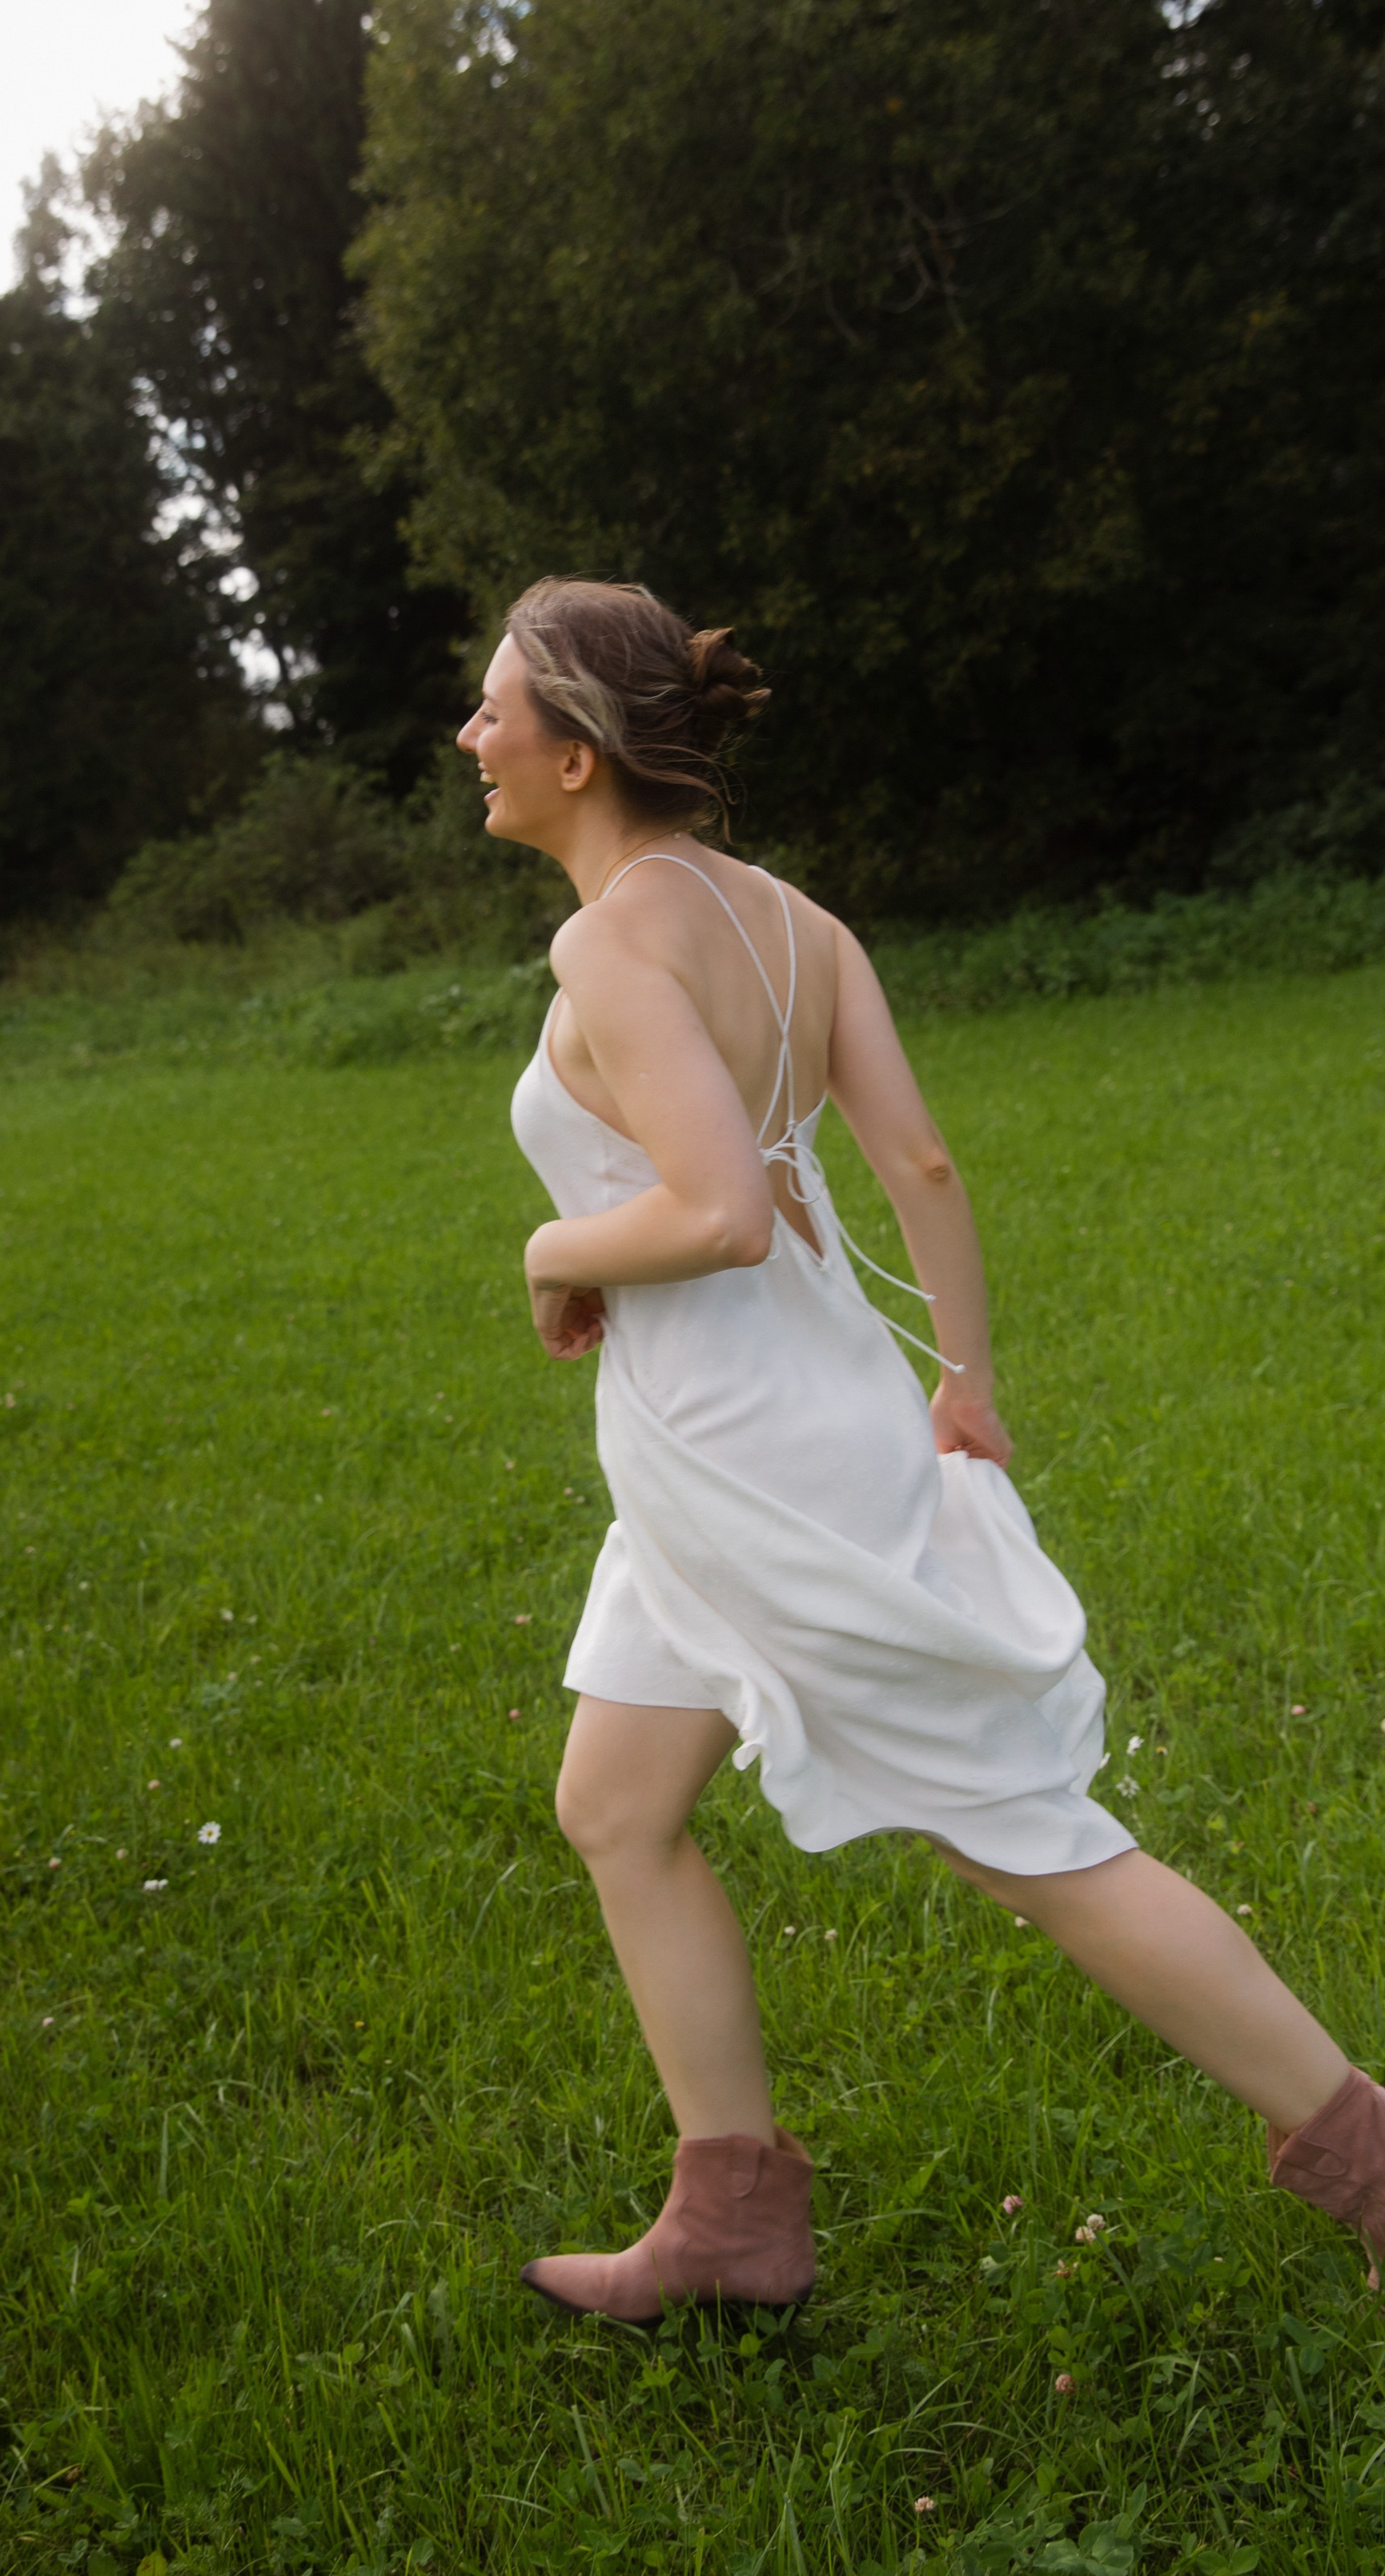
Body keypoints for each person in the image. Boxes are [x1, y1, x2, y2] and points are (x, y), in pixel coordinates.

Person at [460, 576, 1383, 2324]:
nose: (472, 737)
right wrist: (959, 1379)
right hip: (761, 1433)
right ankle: (731, 2213)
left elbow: (721, 1212)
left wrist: (551, 1252)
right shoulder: (801, 924)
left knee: (1020, 1832)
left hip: (751, 1454)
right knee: (616, 1803)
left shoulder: (610, 941)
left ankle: (1369, 2153)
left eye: (497, 709)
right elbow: (923, 1170)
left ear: (576, 755)